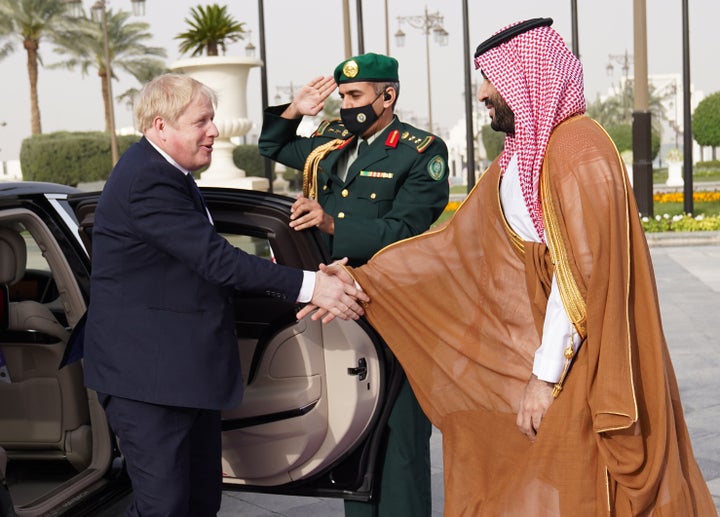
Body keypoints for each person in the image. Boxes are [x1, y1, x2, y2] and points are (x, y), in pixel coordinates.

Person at [303, 19, 717, 516]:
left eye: (491, 80)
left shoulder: (576, 150)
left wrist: (544, 377)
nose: (483, 94)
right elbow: (457, 245)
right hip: (541, 345)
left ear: (525, 78)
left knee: (585, 471)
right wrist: (363, 279)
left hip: (581, 353)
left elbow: (578, 276)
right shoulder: (521, 155)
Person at [82, 73, 368, 517]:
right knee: (165, 508)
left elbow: (197, 265)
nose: (213, 130)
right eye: (201, 121)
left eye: (212, 119)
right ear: (161, 126)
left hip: (178, 375)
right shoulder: (148, 180)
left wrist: (293, 278)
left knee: (198, 503)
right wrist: (314, 286)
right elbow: (218, 261)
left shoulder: (167, 174)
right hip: (148, 381)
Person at [259, 53, 449, 517]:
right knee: (351, 434)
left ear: (388, 96)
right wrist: (295, 110)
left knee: (400, 441)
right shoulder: (330, 141)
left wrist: (329, 223)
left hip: (396, 311)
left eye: (356, 96)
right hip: (341, 311)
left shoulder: (422, 151)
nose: (346, 105)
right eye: (342, 96)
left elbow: (406, 229)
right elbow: (272, 145)